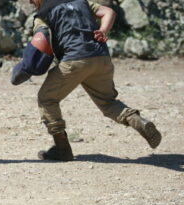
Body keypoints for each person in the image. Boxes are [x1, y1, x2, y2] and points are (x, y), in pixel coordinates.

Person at [12, 0, 162, 161]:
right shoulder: (81, 1)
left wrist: (25, 67)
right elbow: (109, 12)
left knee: (47, 98)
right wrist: (103, 30)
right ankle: (138, 121)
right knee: (107, 102)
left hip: (74, 61)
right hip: (101, 58)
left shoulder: (42, 15)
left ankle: (62, 149)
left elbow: (41, 41)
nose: (30, 1)